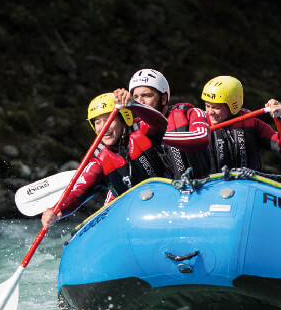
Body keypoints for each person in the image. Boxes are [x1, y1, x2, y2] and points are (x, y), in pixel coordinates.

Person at [42, 93, 169, 227]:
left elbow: (160, 122)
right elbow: (79, 192)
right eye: (98, 122)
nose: (104, 126)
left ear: (123, 118)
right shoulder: (99, 159)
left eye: (109, 119)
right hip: (134, 217)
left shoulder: (143, 131)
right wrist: (56, 210)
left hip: (167, 200)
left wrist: (134, 104)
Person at [113, 68, 211, 180]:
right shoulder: (134, 128)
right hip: (159, 194)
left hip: (201, 186)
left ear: (163, 99)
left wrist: (158, 137)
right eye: (135, 97)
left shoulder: (190, 112)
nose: (140, 101)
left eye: (146, 95)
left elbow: (202, 139)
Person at [201, 75, 281, 175]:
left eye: (216, 107)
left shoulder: (251, 123)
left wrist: (279, 118)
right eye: (207, 106)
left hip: (247, 184)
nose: (210, 112)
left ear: (232, 105)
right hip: (211, 186)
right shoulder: (200, 124)